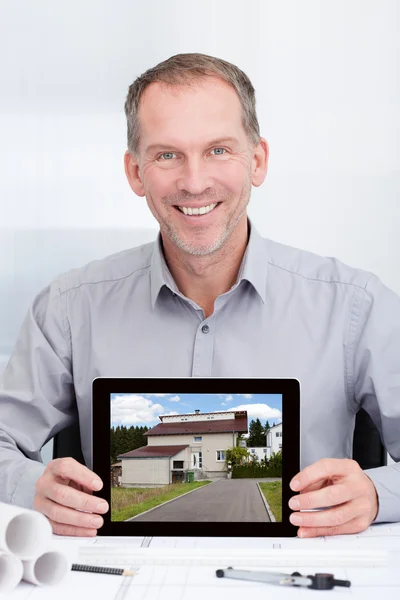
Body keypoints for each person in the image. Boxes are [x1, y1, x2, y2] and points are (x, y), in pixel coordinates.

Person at [0, 53, 399, 539]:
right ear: (135, 172)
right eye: (167, 154)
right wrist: (30, 487)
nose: (194, 182)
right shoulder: (68, 308)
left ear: (257, 160)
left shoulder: (355, 305)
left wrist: (378, 495)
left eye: (218, 150)